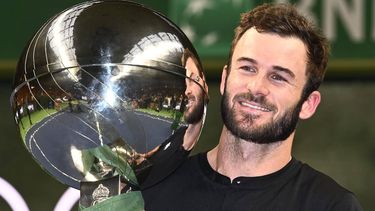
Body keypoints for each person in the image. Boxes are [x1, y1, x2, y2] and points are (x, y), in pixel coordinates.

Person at [142, 3, 363, 211]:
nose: (256, 87)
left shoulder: (330, 205)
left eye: (278, 77)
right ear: (225, 78)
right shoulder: (152, 188)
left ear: (308, 104)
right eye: (247, 68)